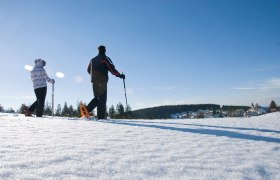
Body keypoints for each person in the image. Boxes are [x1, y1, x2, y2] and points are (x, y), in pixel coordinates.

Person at [86, 45, 125, 119]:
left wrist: (94, 75)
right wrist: (120, 75)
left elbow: (88, 70)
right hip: (102, 81)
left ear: (98, 50)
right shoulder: (105, 58)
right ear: (105, 50)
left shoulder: (92, 60)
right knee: (102, 99)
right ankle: (101, 117)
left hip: (94, 81)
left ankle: (87, 109)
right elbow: (112, 69)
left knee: (97, 98)